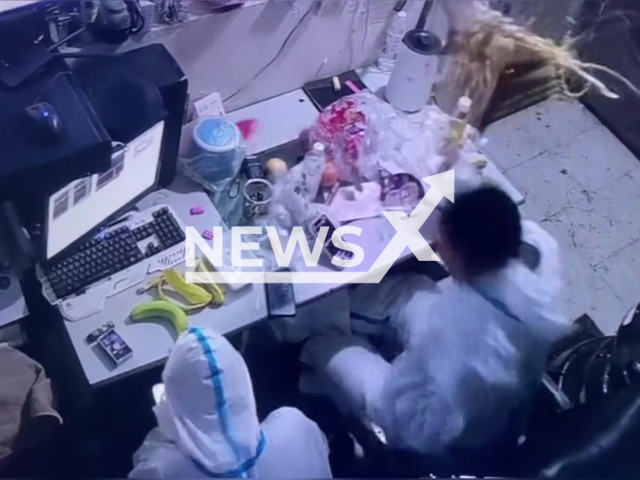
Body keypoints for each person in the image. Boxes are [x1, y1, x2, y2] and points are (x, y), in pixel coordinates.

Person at [300, 185, 570, 457]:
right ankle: (342, 328)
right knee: (411, 288)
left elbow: (406, 416)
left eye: (444, 241)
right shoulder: (538, 248)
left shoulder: (458, 348)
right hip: (496, 376)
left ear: (460, 254)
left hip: (434, 427)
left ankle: (321, 383)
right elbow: (489, 213)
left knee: (327, 346)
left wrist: (399, 371)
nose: (438, 245)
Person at [129, 327, 333, 478]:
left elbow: (142, 463)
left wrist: (168, 431)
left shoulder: (161, 468)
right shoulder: (293, 424)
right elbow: (321, 449)